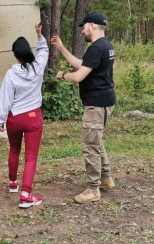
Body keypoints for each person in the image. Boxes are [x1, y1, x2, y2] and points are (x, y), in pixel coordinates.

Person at [51, 12, 116, 204]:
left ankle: (93, 189)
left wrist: (63, 75)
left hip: (96, 103)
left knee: (89, 146)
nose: (82, 30)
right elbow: (83, 65)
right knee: (96, 141)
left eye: (84, 26)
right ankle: (106, 178)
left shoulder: (96, 48)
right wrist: (62, 48)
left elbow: (79, 76)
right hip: (105, 100)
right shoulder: (106, 45)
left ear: (93, 26)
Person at [0, 23, 49, 208]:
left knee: (14, 150)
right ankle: (26, 195)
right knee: (31, 157)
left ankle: (12, 183)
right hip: (33, 117)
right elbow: (44, 51)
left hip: (15, 118)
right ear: (27, 52)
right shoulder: (38, 68)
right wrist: (39, 35)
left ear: (15, 55)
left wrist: (0, 120)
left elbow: (5, 98)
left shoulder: (11, 74)